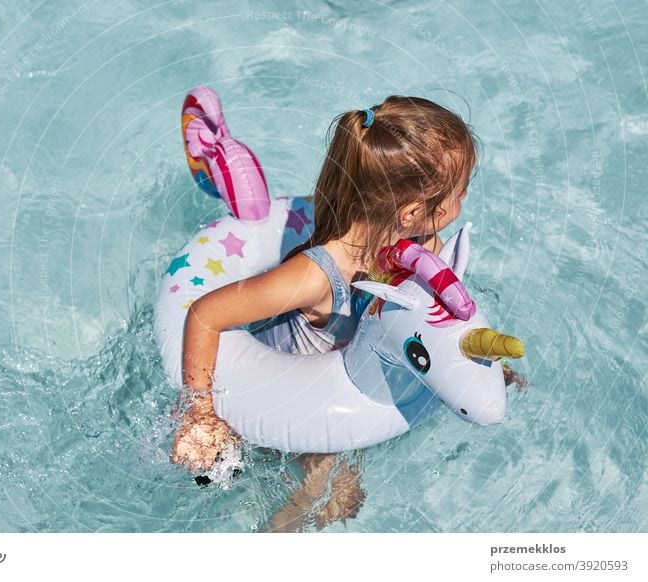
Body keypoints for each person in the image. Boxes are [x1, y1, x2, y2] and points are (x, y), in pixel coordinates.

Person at [171, 95, 482, 531]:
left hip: (350, 373)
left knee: (348, 497)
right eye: (459, 192)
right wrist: (198, 412)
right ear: (412, 212)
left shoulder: (424, 247)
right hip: (287, 387)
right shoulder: (316, 276)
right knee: (333, 491)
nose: (464, 198)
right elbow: (206, 314)